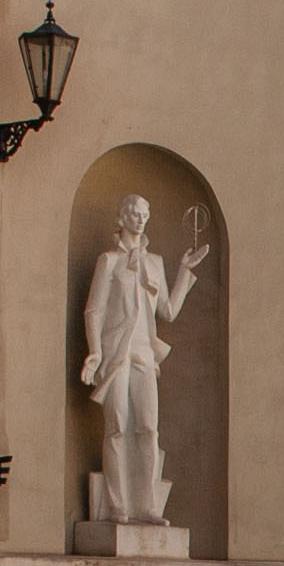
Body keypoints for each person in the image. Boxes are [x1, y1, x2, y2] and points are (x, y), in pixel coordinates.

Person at [79, 193, 206, 526]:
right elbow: (95, 310)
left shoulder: (154, 263)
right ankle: (118, 505)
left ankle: (148, 506)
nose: (140, 218)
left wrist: (183, 272)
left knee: (148, 429)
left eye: (144, 213)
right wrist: (95, 351)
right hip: (117, 354)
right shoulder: (109, 261)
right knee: (117, 427)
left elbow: (168, 311)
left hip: (145, 355)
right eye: (134, 213)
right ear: (121, 218)